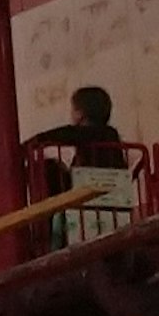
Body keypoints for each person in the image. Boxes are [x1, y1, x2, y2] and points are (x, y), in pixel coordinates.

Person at [30, 84, 139, 245]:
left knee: (50, 169)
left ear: (80, 114)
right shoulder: (111, 135)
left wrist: (32, 143)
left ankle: (45, 239)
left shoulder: (95, 133)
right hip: (109, 199)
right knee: (53, 167)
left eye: (73, 110)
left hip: (91, 201)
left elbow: (66, 133)